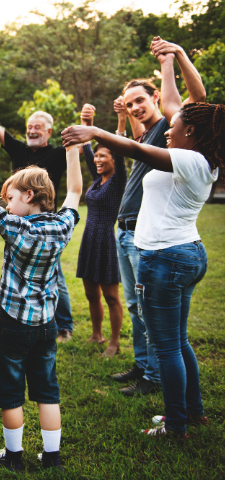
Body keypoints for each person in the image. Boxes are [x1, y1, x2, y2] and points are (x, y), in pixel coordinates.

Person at [62, 40, 221, 438]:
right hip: (186, 252)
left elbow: (133, 146)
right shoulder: (200, 156)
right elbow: (174, 105)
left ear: (192, 134)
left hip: (165, 258)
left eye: (176, 128)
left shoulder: (187, 158)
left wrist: (95, 130)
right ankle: (193, 411)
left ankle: (176, 424)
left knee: (166, 346)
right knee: (179, 342)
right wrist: (173, 58)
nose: (170, 130)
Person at [0, 137, 83, 471]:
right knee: (47, 389)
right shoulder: (63, 226)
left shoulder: (17, 227)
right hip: (47, 324)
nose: (6, 205)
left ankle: (14, 457)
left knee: (11, 390)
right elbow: (75, 192)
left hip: (13, 322)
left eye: (10, 198)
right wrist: (71, 152)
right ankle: (52, 457)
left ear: (29, 196)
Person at [109, 38, 206, 396]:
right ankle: (144, 364)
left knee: (153, 317)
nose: (135, 107)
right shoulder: (156, 134)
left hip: (151, 239)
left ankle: (154, 378)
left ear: (156, 100)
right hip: (128, 229)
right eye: (130, 102)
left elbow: (189, 102)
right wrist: (123, 115)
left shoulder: (170, 130)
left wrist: (171, 59)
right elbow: (136, 136)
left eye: (140, 101)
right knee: (137, 308)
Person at [0, 103, 75, 343]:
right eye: (29, 127)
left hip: (46, 227)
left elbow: (76, 165)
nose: (32, 130)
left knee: (55, 278)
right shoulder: (19, 149)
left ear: (49, 131)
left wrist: (81, 133)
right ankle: (33, 318)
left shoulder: (56, 153)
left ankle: (63, 326)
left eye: (38, 127)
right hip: (18, 224)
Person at [77, 104, 127, 358]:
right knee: (90, 293)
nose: (97, 159)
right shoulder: (98, 179)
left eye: (102, 156)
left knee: (110, 296)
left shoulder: (118, 179)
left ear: (113, 160)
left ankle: (115, 342)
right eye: (97, 157)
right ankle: (97, 334)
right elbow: (86, 149)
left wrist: (120, 120)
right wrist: (87, 120)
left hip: (107, 238)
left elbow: (119, 148)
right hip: (89, 238)